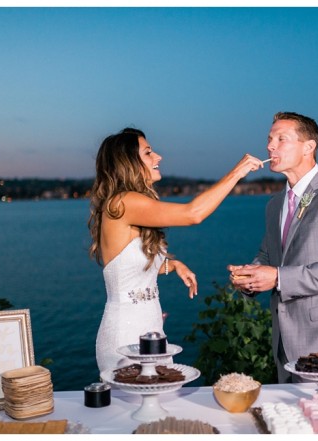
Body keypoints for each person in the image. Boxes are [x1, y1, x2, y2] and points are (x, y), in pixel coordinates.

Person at [89, 127, 263, 373]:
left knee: (154, 408)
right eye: (148, 152)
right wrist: (237, 173)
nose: (158, 157)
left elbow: (127, 268)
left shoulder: (127, 203)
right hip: (125, 336)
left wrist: (173, 265)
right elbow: (193, 214)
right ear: (128, 162)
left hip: (149, 331)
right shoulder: (123, 202)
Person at [228, 112, 318, 383]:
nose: (270, 146)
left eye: (281, 139)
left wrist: (278, 277)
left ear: (309, 147)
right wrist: (252, 276)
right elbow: (268, 255)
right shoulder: (274, 204)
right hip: (283, 341)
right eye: (270, 140)